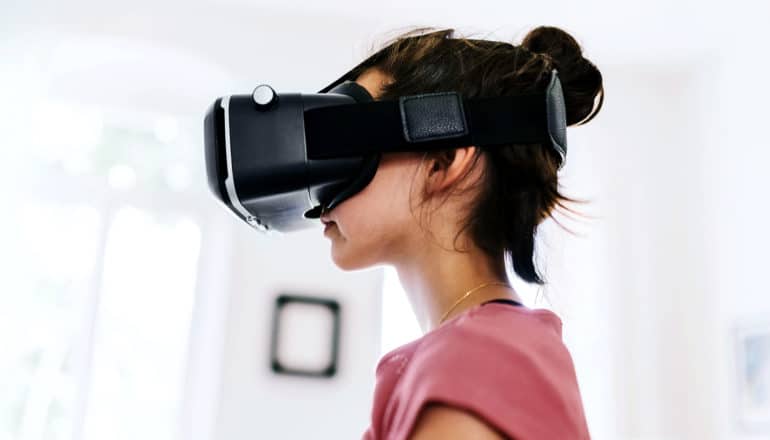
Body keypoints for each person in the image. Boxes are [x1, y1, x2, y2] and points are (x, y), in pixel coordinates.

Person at [320, 25, 604, 440]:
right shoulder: (490, 352)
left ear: (443, 161)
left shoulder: (479, 361)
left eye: (347, 143)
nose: (322, 189)